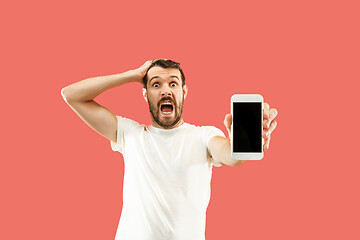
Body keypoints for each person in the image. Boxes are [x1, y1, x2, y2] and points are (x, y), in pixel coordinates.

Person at [61, 59, 278, 240]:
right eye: (156, 85)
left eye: (173, 84)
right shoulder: (130, 134)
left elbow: (231, 156)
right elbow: (71, 95)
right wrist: (133, 74)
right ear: (145, 94)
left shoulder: (203, 136)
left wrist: (242, 142)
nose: (166, 91)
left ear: (184, 92)